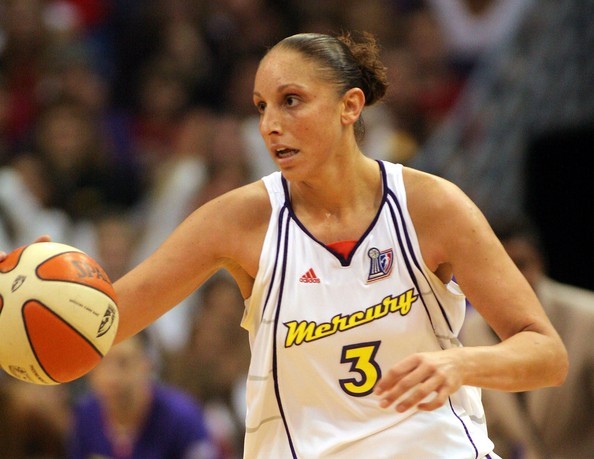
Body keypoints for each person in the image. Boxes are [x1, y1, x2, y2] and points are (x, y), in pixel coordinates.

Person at [6, 31, 568, 458]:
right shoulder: (239, 219)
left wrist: (463, 363)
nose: (270, 124)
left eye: (291, 100)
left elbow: (546, 353)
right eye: (261, 106)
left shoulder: (431, 206)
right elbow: (102, 329)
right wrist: (44, 293)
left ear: (350, 106)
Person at [461, 216, 594, 458]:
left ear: (540, 263)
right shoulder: (472, 329)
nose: (513, 279)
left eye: (520, 264)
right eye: (499, 268)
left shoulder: (588, 317)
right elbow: (491, 431)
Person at [67, 330, 219, 459]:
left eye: (123, 363)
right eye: (101, 363)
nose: (111, 377)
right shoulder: (85, 417)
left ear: (146, 364)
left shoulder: (182, 417)